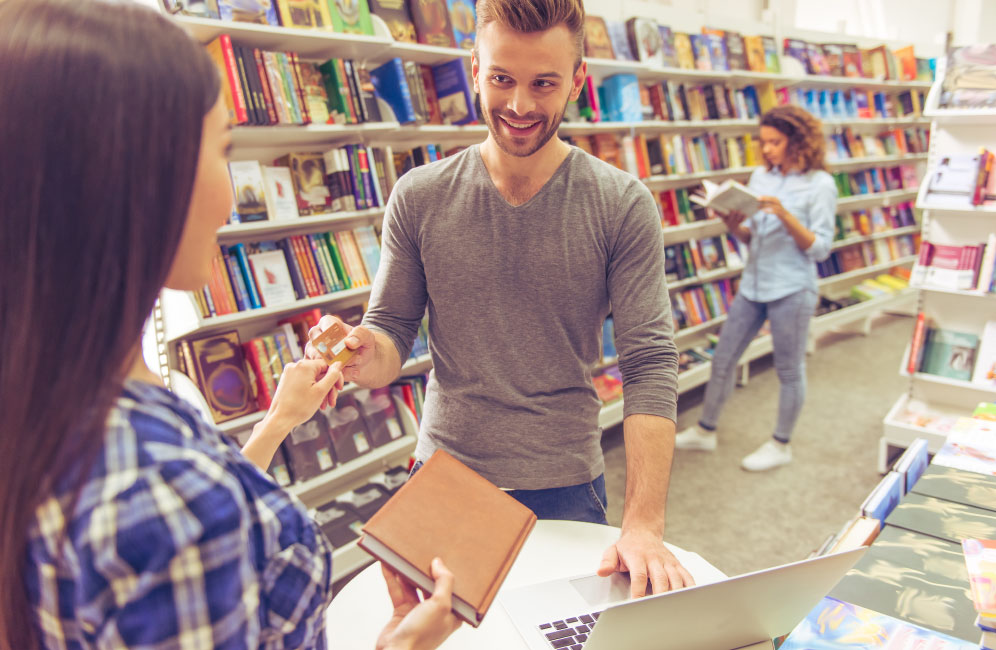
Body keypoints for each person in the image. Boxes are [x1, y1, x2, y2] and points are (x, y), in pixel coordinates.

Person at [0, 1, 459, 648]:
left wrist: (277, 423)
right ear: (137, 185)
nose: (230, 192)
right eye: (221, 149)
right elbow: (188, 519)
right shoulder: (170, 503)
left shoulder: (54, 402)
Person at [307, 0, 694, 597]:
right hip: (443, 473)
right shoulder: (420, 195)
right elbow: (390, 330)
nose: (518, 105)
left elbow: (649, 364)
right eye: (501, 78)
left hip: (564, 483)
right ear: (474, 69)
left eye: (544, 83)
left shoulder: (622, 203)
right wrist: (362, 352)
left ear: (578, 80)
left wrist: (644, 525)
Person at [675, 105, 837, 472]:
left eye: (775, 142)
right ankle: (706, 429)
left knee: (789, 370)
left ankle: (781, 444)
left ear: (798, 142)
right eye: (763, 142)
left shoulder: (820, 185)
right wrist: (733, 225)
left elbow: (820, 248)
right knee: (723, 358)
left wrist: (784, 214)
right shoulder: (759, 177)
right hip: (754, 284)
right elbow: (753, 237)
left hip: (793, 289)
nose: (766, 150)